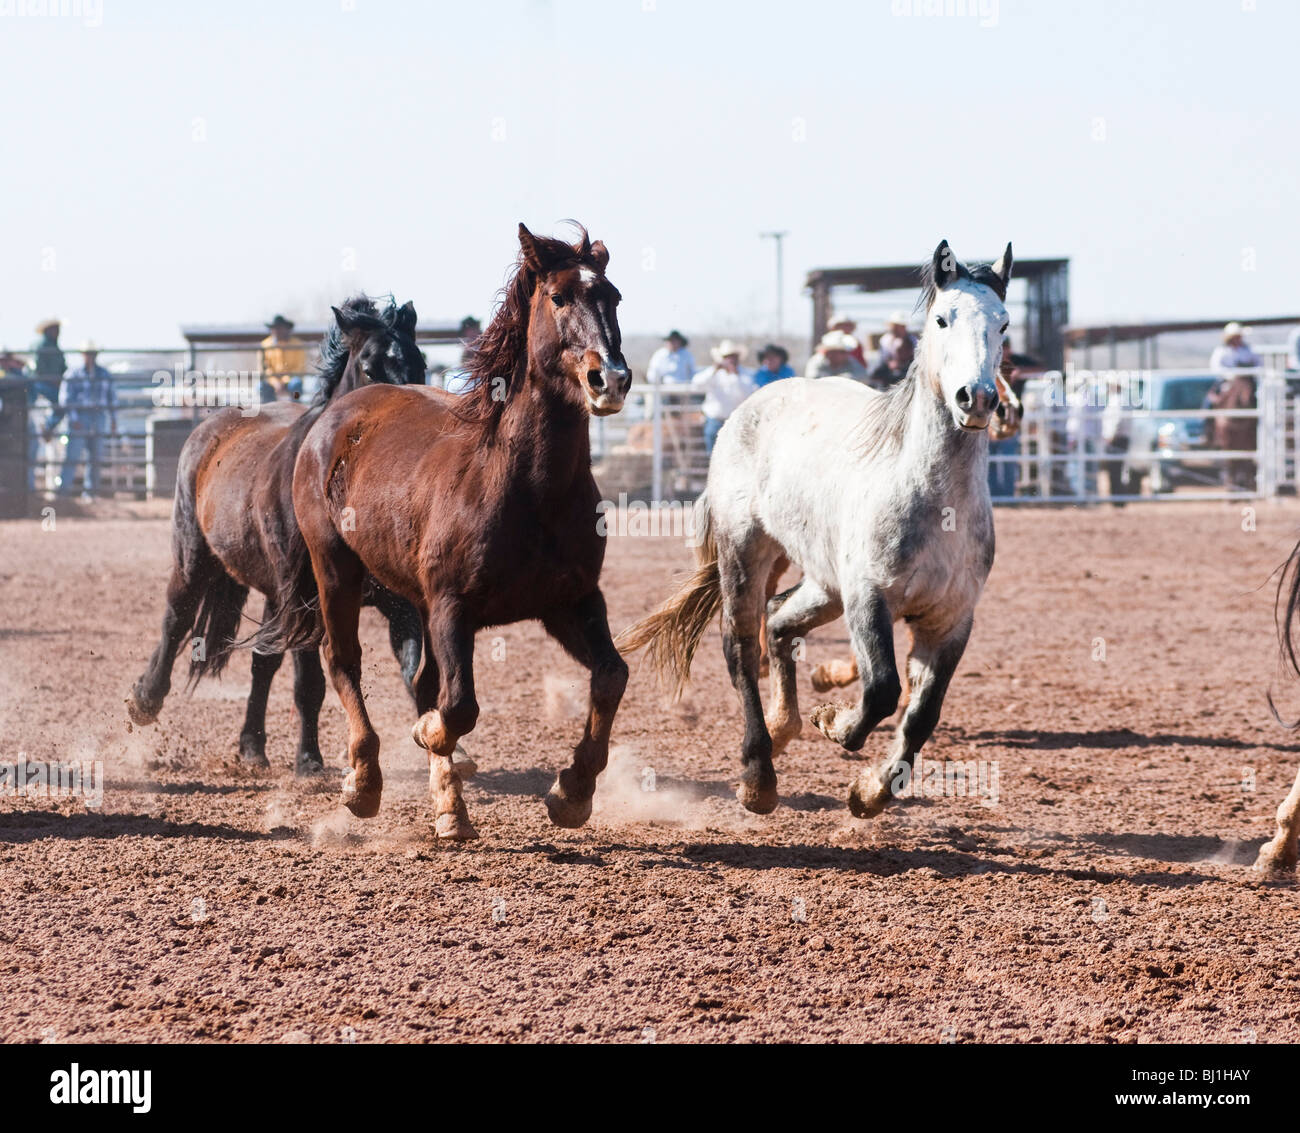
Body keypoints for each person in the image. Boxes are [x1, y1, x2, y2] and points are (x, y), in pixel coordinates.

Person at [45, 340, 116, 500]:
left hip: (98, 416)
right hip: (79, 417)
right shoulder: (73, 374)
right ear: (83, 355)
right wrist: (74, 418)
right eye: (88, 353)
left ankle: (91, 493)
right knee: (72, 456)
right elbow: (65, 399)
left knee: (95, 457)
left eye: (92, 353)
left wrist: (113, 419)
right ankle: (63, 492)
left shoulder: (104, 374)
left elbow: (112, 398)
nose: (90, 356)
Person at [693, 340, 756, 454]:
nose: (730, 360)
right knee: (713, 454)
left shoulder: (746, 374)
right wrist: (713, 369)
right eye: (727, 357)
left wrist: (736, 375)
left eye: (733, 357)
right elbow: (696, 384)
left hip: (738, 421)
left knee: (737, 454)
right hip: (715, 420)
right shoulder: (713, 373)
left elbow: (748, 393)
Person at [260, 314, 307, 396]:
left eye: (281, 328)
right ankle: (269, 404)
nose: (278, 331)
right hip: (272, 381)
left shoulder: (297, 344)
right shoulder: (265, 345)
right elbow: (265, 368)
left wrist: (284, 381)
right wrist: (275, 382)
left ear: (287, 329)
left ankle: (296, 402)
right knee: (262, 387)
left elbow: (299, 367)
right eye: (275, 328)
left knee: (296, 384)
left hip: (291, 380)